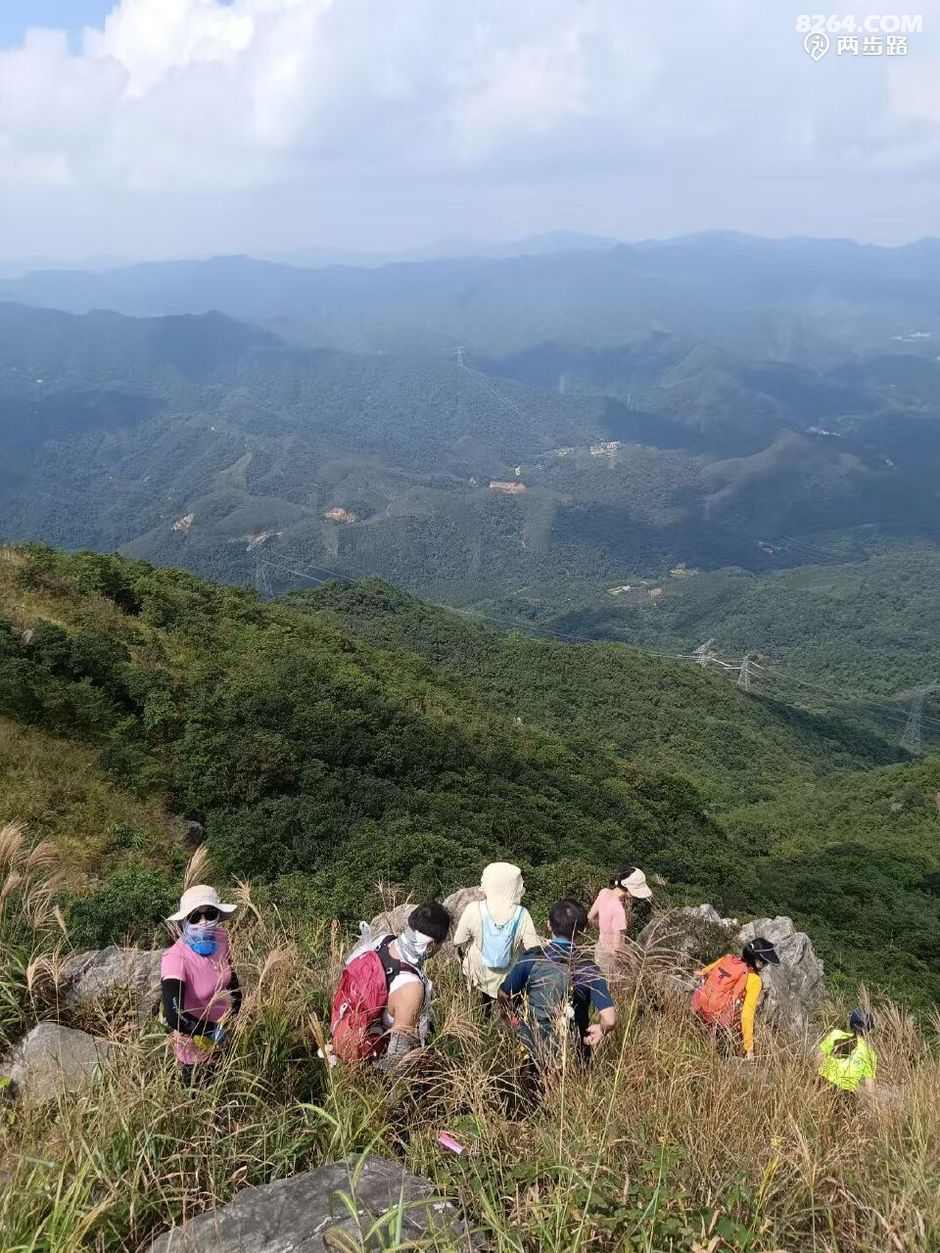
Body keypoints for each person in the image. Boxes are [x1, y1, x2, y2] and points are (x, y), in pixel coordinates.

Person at [497, 897, 616, 1071]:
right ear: (583, 930)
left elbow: (504, 993)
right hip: (574, 1049)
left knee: (531, 1082)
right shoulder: (588, 968)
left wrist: (509, 1016)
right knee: (574, 1085)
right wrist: (602, 1030)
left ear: (549, 925)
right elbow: (610, 1019)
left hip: (532, 1044)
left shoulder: (531, 958)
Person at [329, 901, 451, 1069]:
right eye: (441, 943)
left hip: (343, 1027)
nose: (441, 948)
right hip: (367, 1061)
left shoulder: (383, 941)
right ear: (430, 945)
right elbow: (398, 1054)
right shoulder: (411, 988)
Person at [161, 884, 241, 1086]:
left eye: (210, 914)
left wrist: (236, 1014)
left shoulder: (221, 938)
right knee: (203, 1096)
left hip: (226, 1036)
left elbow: (230, 979)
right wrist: (212, 1031)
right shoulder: (175, 958)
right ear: (183, 921)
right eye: (195, 916)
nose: (203, 922)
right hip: (195, 1050)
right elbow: (174, 1015)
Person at [452, 863, 540, 1014]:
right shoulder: (522, 914)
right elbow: (533, 948)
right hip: (508, 980)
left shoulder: (473, 909)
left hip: (477, 975)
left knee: (477, 1013)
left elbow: (457, 941)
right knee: (508, 1017)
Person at [692, 937, 779, 1059]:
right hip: (720, 1021)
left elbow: (705, 972)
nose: (764, 966)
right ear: (758, 962)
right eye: (764, 963)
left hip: (701, 1007)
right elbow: (747, 1016)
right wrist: (749, 1048)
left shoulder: (727, 959)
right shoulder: (755, 980)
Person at [588, 868, 653, 973]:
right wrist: (634, 958)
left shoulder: (604, 893)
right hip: (611, 961)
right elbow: (617, 947)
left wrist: (605, 929)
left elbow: (591, 917)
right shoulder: (619, 910)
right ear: (629, 890)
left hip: (600, 951)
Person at [818, 1009, 877, 1096]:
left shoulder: (836, 1035)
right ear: (868, 1030)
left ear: (851, 1024)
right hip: (845, 1094)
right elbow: (870, 1087)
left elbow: (818, 1059)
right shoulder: (870, 1053)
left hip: (822, 1083)